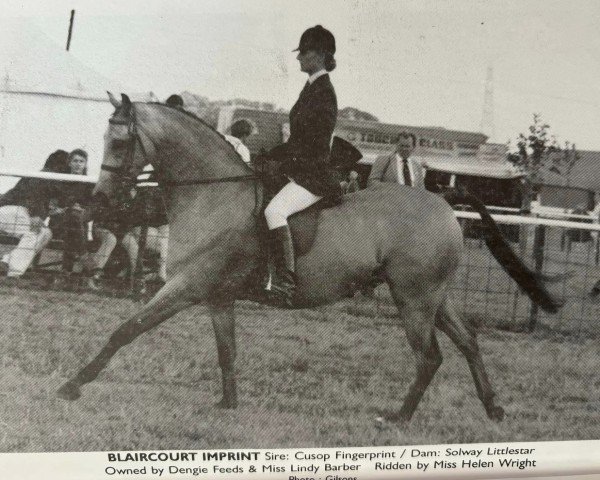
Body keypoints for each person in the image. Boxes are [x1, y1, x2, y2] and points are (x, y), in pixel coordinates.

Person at [263, 25, 341, 306]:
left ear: (319, 55)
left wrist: (283, 159)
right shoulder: (311, 88)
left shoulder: (324, 92)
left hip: (313, 175)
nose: (298, 58)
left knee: (275, 211)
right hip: (300, 169)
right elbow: (298, 137)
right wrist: (272, 156)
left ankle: (285, 283)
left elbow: (314, 143)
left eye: (303, 52)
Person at [0, 150, 69, 277]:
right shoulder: (47, 176)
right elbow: (32, 196)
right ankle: (12, 271)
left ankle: (6, 264)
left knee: (44, 233)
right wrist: (34, 214)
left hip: (11, 212)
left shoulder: (43, 176)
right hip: (14, 210)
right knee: (39, 232)